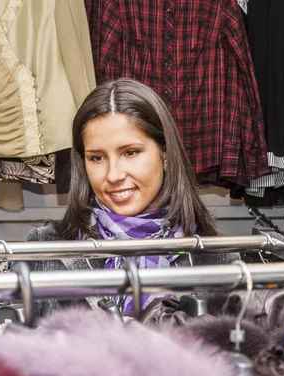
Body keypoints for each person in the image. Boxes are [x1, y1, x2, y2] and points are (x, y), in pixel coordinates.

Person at [28, 78, 239, 316]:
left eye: (130, 152)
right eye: (97, 158)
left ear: (165, 155)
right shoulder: (46, 247)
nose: (114, 175)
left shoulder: (215, 256)